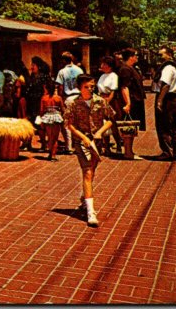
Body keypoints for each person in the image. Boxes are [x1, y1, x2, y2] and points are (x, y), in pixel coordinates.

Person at [63, 74, 114, 227]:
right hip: (82, 142)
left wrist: (100, 131)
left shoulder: (100, 101)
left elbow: (111, 118)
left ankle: (85, 197)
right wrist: (82, 137)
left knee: (92, 169)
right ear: (80, 87)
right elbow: (69, 124)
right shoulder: (73, 103)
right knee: (87, 172)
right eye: (87, 87)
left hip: (96, 143)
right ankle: (91, 212)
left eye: (92, 86)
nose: (90, 89)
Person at [153, 46, 176, 161]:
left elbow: (165, 85)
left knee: (164, 125)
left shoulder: (168, 68)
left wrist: (159, 101)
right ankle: (175, 151)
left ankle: (168, 151)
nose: (159, 57)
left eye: (161, 55)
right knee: (174, 125)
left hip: (168, 98)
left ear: (169, 55)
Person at [55, 51, 84, 154]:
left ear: (63, 61)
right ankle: (78, 145)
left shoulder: (62, 72)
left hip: (68, 97)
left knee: (67, 122)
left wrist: (61, 100)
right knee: (78, 122)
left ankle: (69, 146)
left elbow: (60, 87)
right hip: (78, 96)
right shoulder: (79, 70)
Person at [96, 56, 122, 154]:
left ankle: (118, 145)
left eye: (104, 64)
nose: (102, 66)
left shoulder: (113, 76)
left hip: (110, 101)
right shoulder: (102, 76)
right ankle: (106, 147)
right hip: (101, 99)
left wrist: (107, 102)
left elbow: (113, 91)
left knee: (113, 124)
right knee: (103, 124)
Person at [118, 48, 146, 133]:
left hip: (136, 100)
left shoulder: (132, 68)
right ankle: (127, 146)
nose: (137, 57)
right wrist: (128, 103)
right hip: (132, 100)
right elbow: (124, 87)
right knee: (128, 128)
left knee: (132, 127)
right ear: (130, 57)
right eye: (135, 55)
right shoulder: (125, 69)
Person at [27, 56, 51, 150]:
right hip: (32, 102)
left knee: (39, 123)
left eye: (33, 65)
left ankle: (44, 144)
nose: (31, 67)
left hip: (39, 102)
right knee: (30, 123)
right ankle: (28, 144)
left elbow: (46, 91)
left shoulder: (43, 77)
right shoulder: (32, 76)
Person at [39, 79, 64, 161]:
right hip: (56, 117)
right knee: (55, 137)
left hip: (48, 117)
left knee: (49, 137)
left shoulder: (44, 98)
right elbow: (62, 109)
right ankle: (53, 155)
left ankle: (50, 153)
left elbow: (42, 110)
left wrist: (41, 119)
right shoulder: (58, 98)